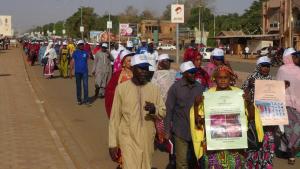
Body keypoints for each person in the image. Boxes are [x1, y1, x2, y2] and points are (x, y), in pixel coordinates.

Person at [190, 65, 264, 168]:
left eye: (226, 78)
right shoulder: (207, 96)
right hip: (214, 146)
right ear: (215, 79)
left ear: (231, 78)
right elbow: (198, 123)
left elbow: (251, 118)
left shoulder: (239, 95)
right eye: (220, 78)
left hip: (235, 146)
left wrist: (249, 103)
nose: (223, 80)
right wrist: (196, 105)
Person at [108, 54, 166, 169]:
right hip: (127, 138)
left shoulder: (154, 89)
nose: (144, 71)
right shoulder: (122, 89)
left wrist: (155, 109)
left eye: (146, 68)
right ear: (133, 68)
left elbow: (163, 112)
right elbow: (114, 118)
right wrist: (112, 143)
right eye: (141, 68)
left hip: (147, 138)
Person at [165, 61, 205, 169]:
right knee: (182, 162)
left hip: (197, 131)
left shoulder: (200, 88)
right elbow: (169, 110)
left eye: (194, 72)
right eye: (190, 72)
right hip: (180, 131)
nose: (193, 74)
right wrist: (167, 131)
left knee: (195, 160)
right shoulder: (175, 88)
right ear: (183, 73)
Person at [242, 56, 275, 169]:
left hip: (268, 116)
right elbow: (243, 93)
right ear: (258, 66)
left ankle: (266, 163)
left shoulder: (271, 79)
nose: (266, 68)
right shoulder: (251, 78)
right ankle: (253, 164)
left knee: (267, 140)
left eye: (268, 66)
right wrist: (249, 86)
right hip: (254, 116)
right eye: (263, 66)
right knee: (255, 140)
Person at [151, 54, 176, 168]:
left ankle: (172, 159)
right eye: (165, 61)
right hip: (162, 109)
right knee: (165, 134)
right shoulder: (155, 76)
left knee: (172, 136)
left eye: (169, 61)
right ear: (159, 63)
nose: (168, 63)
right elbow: (153, 93)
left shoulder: (174, 73)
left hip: (173, 109)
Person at [276, 48, 300, 165]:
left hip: (283, 103)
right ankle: (291, 150)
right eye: (295, 56)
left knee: (286, 128)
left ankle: (284, 149)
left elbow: (277, 86)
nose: (297, 58)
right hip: (297, 105)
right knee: (296, 129)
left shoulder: (281, 69)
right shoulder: (298, 70)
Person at [105, 50, 135, 118]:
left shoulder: (138, 74)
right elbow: (109, 92)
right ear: (123, 63)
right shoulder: (117, 75)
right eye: (129, 61)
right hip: (122, 107)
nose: (132, 63)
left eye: (133, 60)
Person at [69, 40, 90, 105]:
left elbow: (86, 61)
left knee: (85, 86)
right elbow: (72, 62)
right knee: (78, 86)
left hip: (85, 72)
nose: (81, 45)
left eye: (82, 44)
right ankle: (79, 100)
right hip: (77, 72)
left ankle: (86, 100)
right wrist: (70, 71)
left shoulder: (86, 53)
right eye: (80, 44)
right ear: (78, 46)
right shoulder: (75, 53)